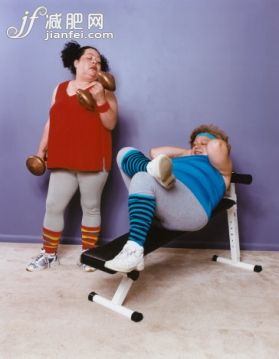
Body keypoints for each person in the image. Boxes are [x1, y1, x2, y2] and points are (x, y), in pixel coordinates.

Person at [26, 41, 118, 272]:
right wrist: (41, 151)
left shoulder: (104, 89)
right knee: (54, 206)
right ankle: (48, 254)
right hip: (63, 156)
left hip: (95, 158)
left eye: (98, 61)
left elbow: (111, 124)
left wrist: (99, 101)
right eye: (89, 58)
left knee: (91, 206)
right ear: (75, 61)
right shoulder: (59, 88)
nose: (94, 63)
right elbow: (51, 122)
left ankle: (88, 254)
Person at [104, 124, 232, 273]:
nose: (197, 146)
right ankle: (151, 170)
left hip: (193, 209)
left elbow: (217, 145)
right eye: (195, 144)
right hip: (163, 201)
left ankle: (134, 250)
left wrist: (206, 145)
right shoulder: (184, 158)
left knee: (141, 177)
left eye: (204, 144)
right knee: (124, 153)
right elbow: (154, 152)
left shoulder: (223, 168)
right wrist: (187, 152)